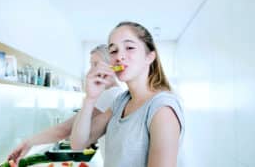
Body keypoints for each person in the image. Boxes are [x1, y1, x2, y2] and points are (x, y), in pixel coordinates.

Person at [71, 21, 185, 167]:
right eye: (113, 51)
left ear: (149, 57)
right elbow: (78, 143)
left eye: (129, 47)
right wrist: (90, 98)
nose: (119, 57)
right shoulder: (121, 101)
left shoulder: (162, 109)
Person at [8, 44, 124, 164]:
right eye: (91, 65)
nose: (90, 70)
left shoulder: (110, 95)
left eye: (95, 64)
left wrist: (28, 142)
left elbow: (65, 129)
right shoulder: (114, 93)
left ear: (111, 66)